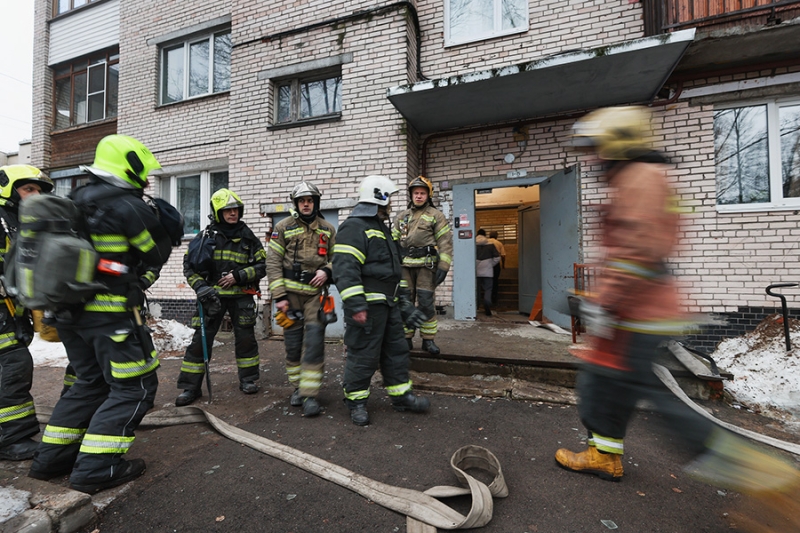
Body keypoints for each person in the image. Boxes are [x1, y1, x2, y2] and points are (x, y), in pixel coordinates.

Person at [555, 106, 798, 519]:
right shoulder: (636, 177)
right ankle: (604, 455)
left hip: (638, 312)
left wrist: (603, 302)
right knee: (602, 386)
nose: (592, 156)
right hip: (634, 310)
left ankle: (769, 478)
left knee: (660, 402)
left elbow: (638, 252)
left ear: (617, 142)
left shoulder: (640, 178)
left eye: (596, 147)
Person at [28, 135, 173, 493]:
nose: (146, 182)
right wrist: (167, 224)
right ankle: (96, 467)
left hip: (69, 315)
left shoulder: (73, 198)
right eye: (144, 174)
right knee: (134, 386)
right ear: (131, 166)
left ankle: (52, 460)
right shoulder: (128, 205)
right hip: (111, 318)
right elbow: (153, 253)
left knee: (89, 383)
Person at [332, 175, 430, 426]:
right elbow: (345, 268)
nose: (391, 206)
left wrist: (406, 306)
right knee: (363, 355)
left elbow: (395, 273)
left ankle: (401, 397)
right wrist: (356, 305)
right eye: (389, 200)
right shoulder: (354, 228)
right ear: (379, 198)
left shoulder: (382, 229)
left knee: (396, 353)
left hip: (390, 305)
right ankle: (356, 402)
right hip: (368, 307)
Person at [176, 188, 267, 406]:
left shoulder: (249, 237)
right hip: (211, 298)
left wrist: (238, 276)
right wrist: (201, 289)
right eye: (227, 210)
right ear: (218, 212)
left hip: (241, 297)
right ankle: (191, 387)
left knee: (246, 340)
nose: (232, 213)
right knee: (200, 342)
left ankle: (248, 380)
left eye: (235, 209)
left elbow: (263, 265)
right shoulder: (205, 237)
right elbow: (189, 267)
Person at [266, 181, 336, 417]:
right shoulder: (283, 227)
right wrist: (280, 297)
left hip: (316, 296)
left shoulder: (327, 229)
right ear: (296, 203)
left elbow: (338, 258)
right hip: (290, 297)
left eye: (310, 200)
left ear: (316, 203)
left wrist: (327, 270)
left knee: (314, 344)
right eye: (302, 201)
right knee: (293, 346)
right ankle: (297, 387)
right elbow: (273, 263)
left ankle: (310, 395)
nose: (306, 205)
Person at [0, 165, 53, 460]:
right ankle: (12, 439)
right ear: (8, 189)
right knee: (14, 366)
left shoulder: (20, 223)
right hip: (2, 312)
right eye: (29, 189)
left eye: (40, 191)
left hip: (14, 311)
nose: (35, 196)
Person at [392, 176, 452, 355]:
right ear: (411, 195)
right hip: (404, 267)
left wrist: (443, 266)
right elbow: (392, 241)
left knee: (426, 303)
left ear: (428, 195)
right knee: (405, 302)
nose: (418, 196)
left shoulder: (436, 215)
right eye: (415, 193)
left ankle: (428, 340)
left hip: (426, 266)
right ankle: (406, 338)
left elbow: (445, 242)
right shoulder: (402, 217)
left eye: (422, 193)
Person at [475, 229, 500, 317]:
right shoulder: (491, 245)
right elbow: (497, 258)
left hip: (476, 272)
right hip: (488, 271)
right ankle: (487, 303)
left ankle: (476, 307)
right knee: (488, 289)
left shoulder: (473, 245)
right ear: (485, 235)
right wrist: (490, 264)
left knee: (476, 289)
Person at [487, 231, 505, 306]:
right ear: (496, 236)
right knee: (495, 280)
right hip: (496, 264)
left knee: (487, 281)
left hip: (487, 264)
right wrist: (503, 265)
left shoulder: (486, 242)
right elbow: (503, 255)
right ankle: (494, 297)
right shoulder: (499, 243)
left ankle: (487, 297)